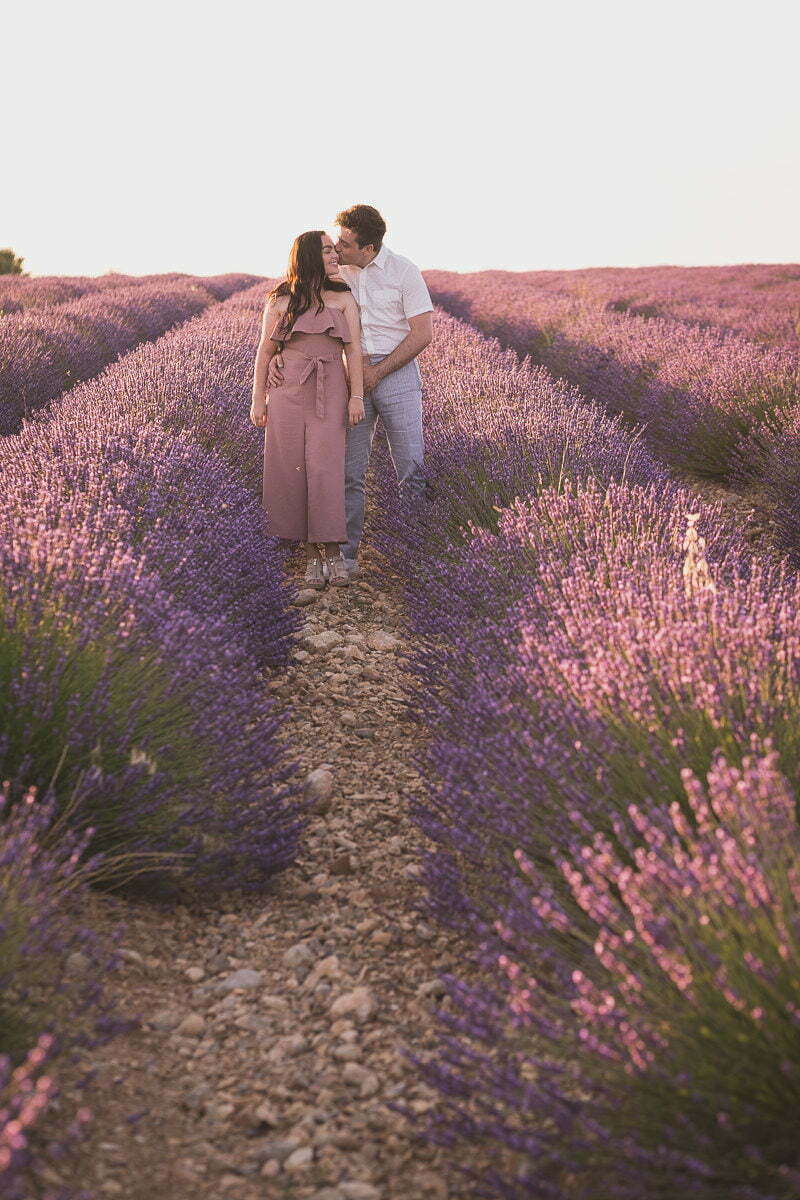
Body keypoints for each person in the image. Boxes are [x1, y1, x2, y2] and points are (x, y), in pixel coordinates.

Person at [269, 205, 433, 576]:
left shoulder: (404, 272)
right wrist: (280, 353)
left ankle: (417, 558)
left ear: (369, 247)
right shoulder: (333, 271)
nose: (336, 248)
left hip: (398, 372)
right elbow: (290, 303)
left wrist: (378, 372)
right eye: (335, 242)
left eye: (344, 243)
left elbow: (423, 334)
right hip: (345, 379)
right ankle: (346, 557)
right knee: (348, 471)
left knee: (411, 467)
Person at [250, 231, 365, 588]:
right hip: (287, 391)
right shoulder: (280, 300)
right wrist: (258, 399)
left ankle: (331, 550)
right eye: (328, 250)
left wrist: (356, 395)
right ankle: (312, 556)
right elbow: (265, 353)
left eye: (335, 249)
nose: (335, 254)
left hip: (329, 386)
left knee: (326, 467)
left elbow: (354, 351)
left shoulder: (343, 296)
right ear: (312, 255)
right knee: (290, 469)